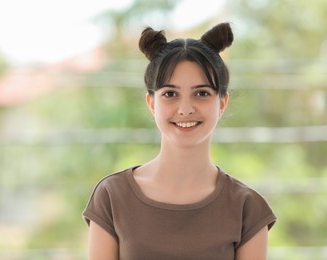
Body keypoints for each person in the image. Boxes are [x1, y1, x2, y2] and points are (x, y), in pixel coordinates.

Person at [83, 22, 276, 260]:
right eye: (170, 94)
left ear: (222, 103)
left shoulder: (248, 208)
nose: (185, 109)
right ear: (152, 103)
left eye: (202, 93)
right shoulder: (112, 197)